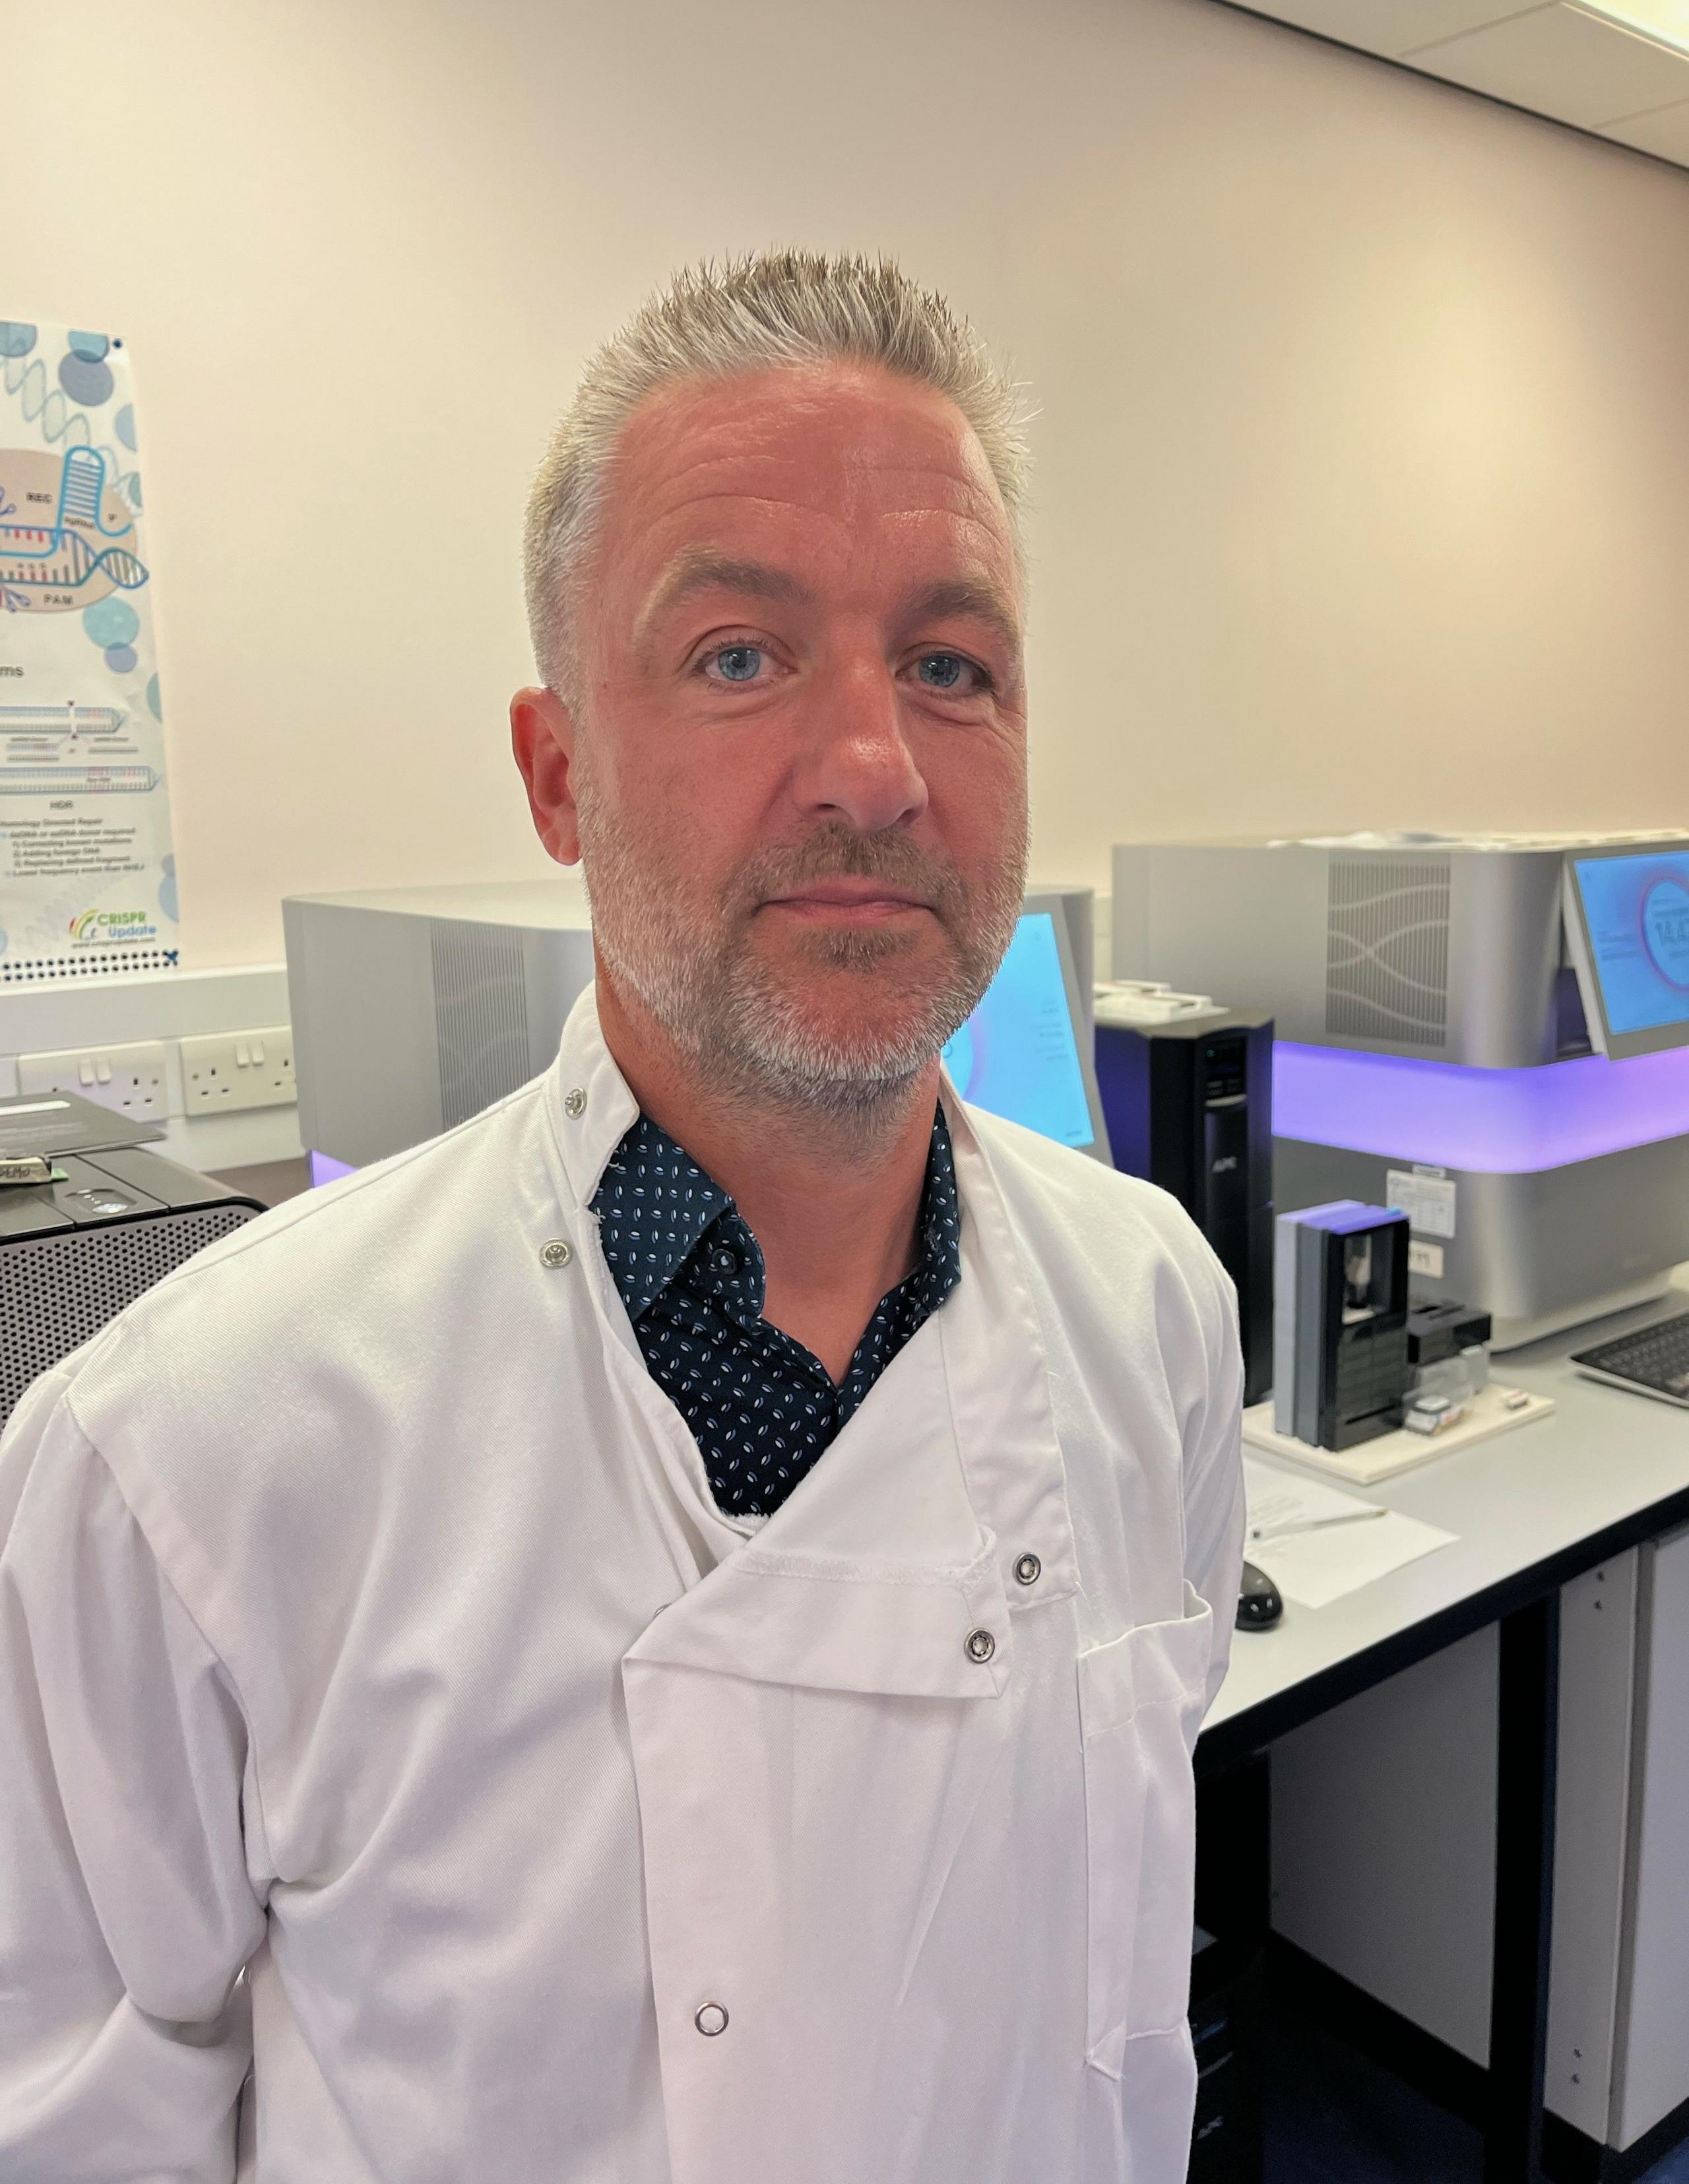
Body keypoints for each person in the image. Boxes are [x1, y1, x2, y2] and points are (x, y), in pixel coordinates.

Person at [0, 251, 1244, 2183]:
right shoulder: (184, 1460)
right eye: (739, 656)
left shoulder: (1152, 1304)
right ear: (559, 773)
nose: (875, 770)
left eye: (952, 665)